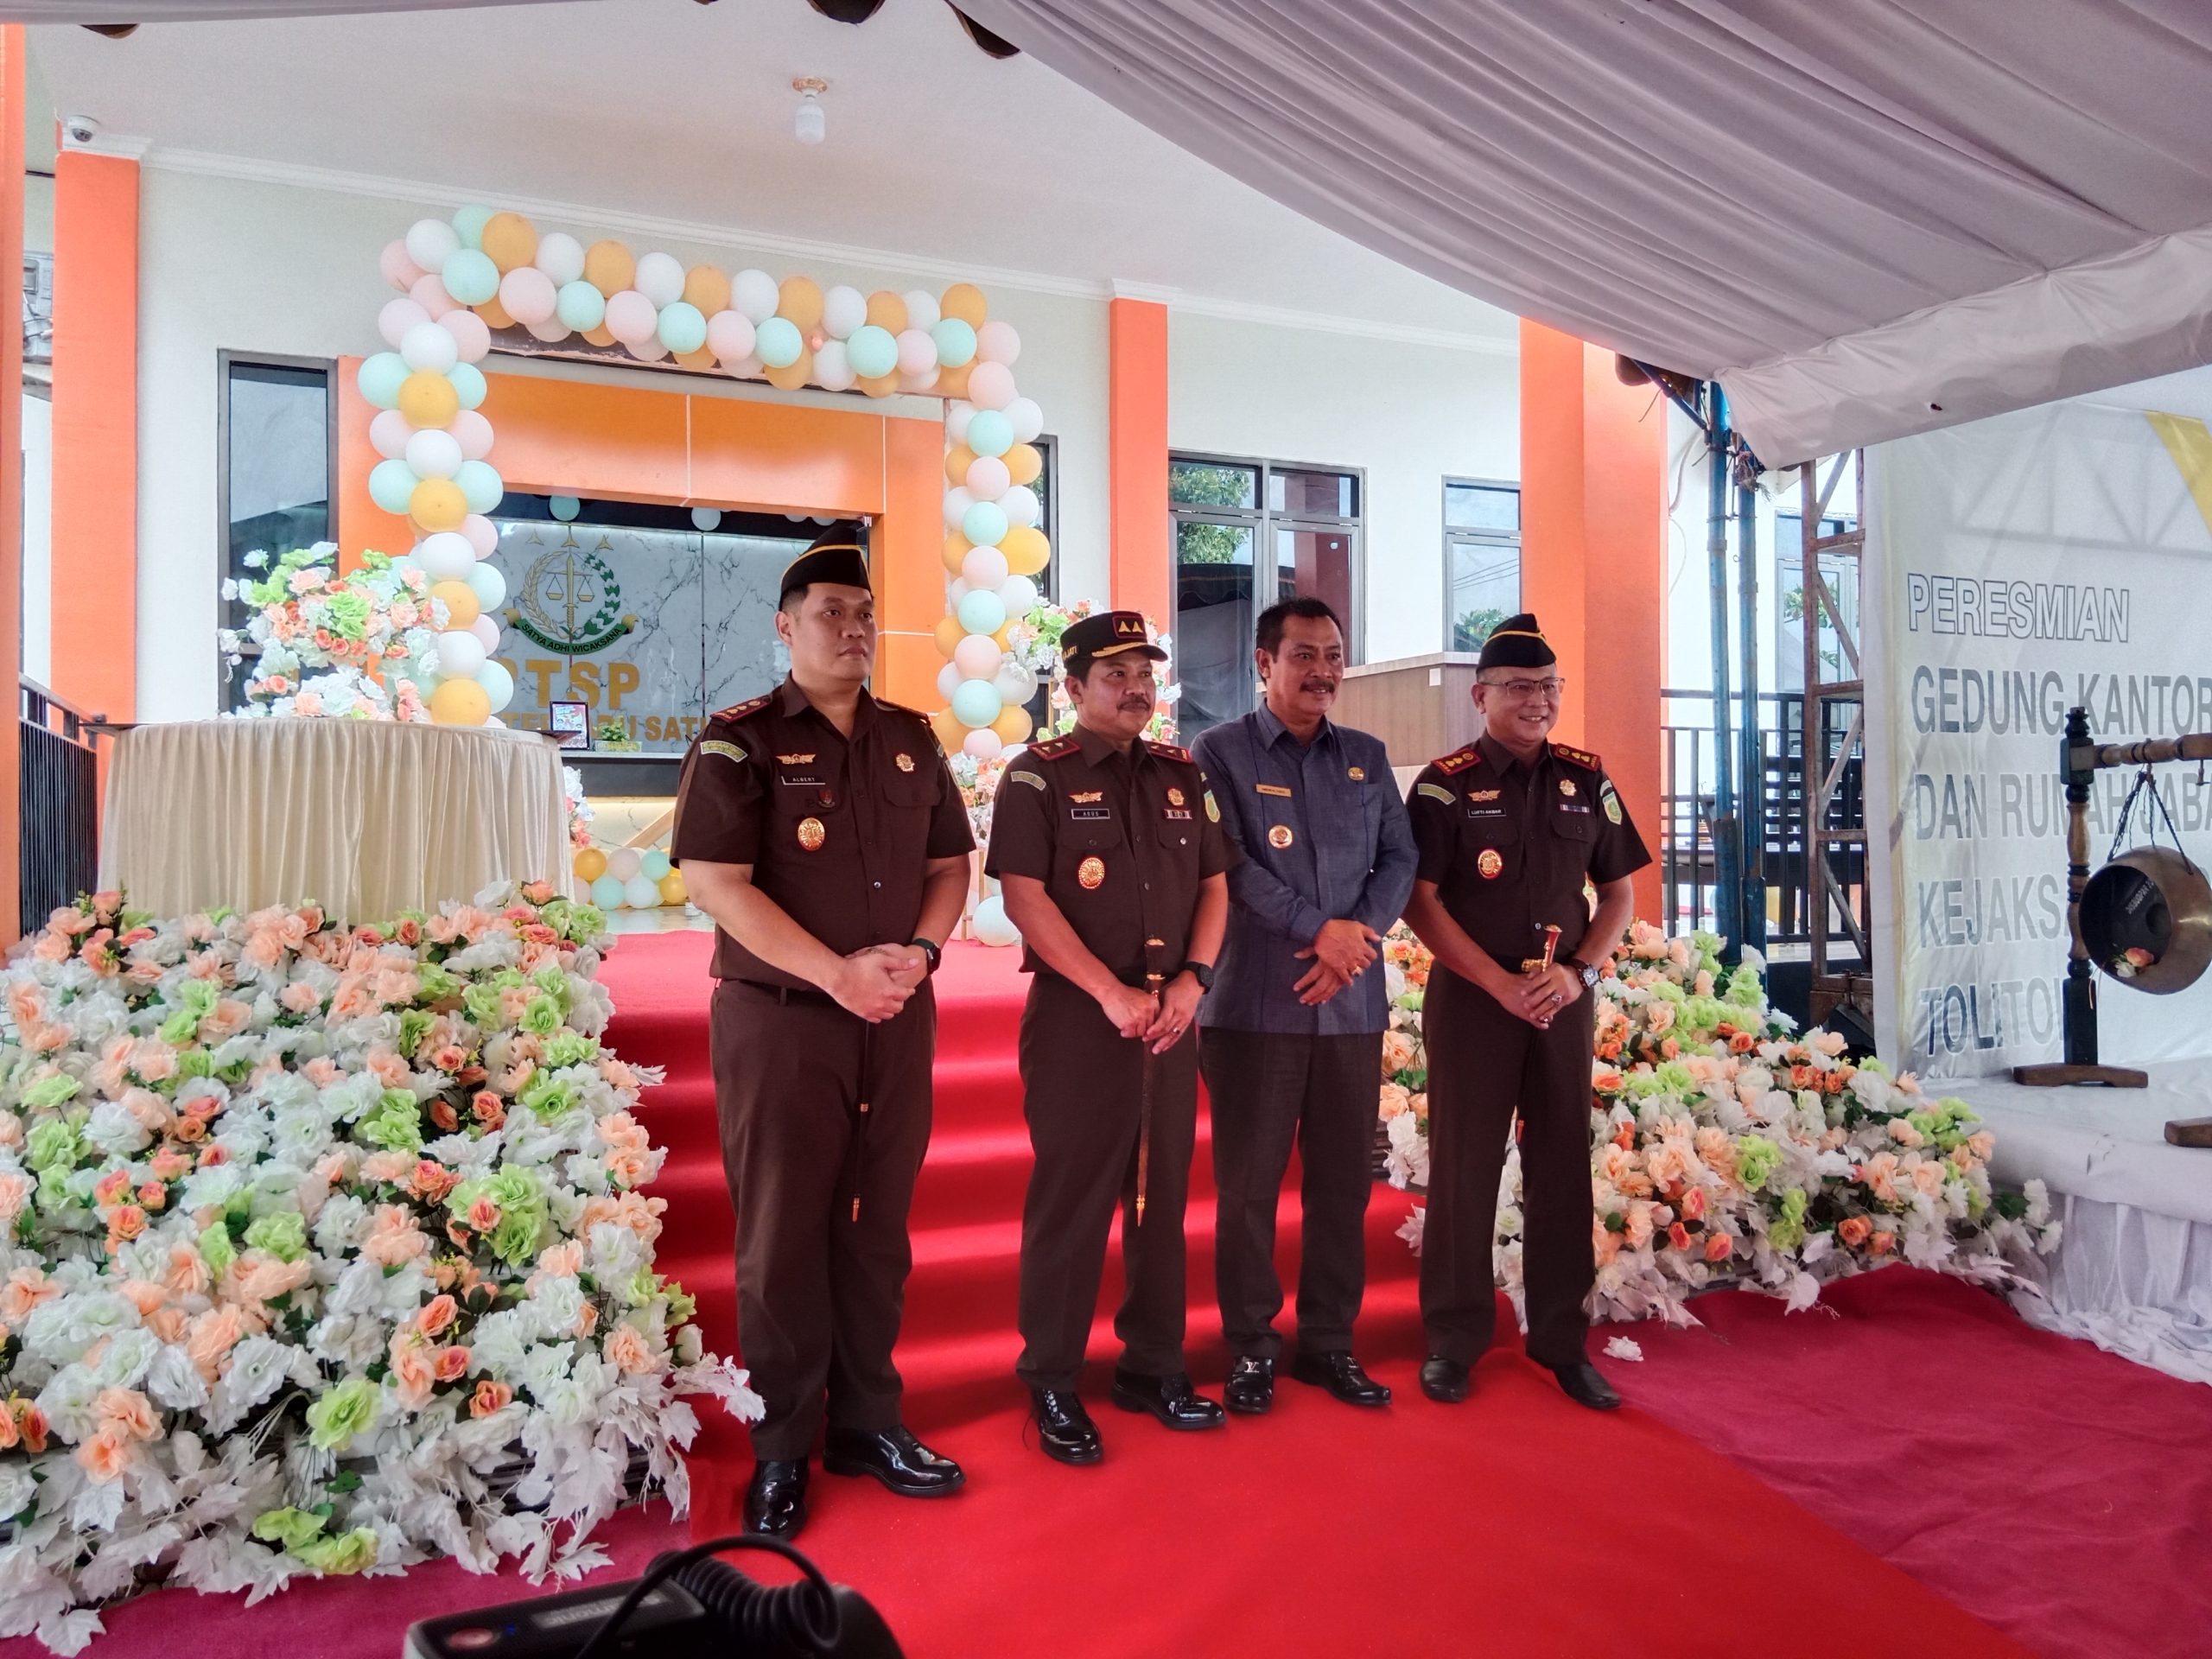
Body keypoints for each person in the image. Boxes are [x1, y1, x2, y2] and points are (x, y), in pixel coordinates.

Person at [670, 524, 974, 1539]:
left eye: (864, 615)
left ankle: (869, 1424)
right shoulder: (741, 740)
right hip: (785, 1024)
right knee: (782, 1239)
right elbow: (715, 882)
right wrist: (837, 974)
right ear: (785, 627)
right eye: (831, 613)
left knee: (878, 1228)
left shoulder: (911, 738)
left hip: (895, 1016)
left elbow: (948, 867)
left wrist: (921, 954)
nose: (853, 630)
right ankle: (783, 1446)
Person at [985, 609, 1236, 1463]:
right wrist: (1107, 992)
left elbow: (1214, 885)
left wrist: (1195, 981)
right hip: (1079, 1022)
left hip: (1170, 1017)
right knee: (1073, 1202)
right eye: (1116, 674)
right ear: (1074, 687)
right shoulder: (1037, 776)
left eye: (1145, 674)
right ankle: (1052, 1378)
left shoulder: (1180, 774)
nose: (1136, 689)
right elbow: (1025, 898)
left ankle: (1153, 1364)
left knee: (1160, 1199)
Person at [1400, 613, 1650, 1411]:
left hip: (1562, 1002)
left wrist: (1580, 974)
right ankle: (1453, 1342)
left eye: (1548, 687)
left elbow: (1618, 895)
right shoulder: (1444, 785)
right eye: (1518, 687)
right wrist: (1496, 983)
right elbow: (1420, 902)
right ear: (1481, 696)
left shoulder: (1586, 778)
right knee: (1465, 1170)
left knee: (1562, 1169)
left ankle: (1562, 1343)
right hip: (1475, 1002)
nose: (1537, 701)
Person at [1189, 596, 1416, 1414]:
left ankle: (1329, 1344)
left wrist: (1355, 939)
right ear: (1265, 663)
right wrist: (1318, 930)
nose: (1323, 671)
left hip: (1350, 1007)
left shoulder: (1366, 755)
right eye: (1304, 655)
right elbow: (1228, 863)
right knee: (1249, 1191)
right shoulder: (1217, 751)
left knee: (1343, 1187)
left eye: (1333, 655)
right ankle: (1251, 1348)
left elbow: (1400, 857)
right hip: (1256, 1005)